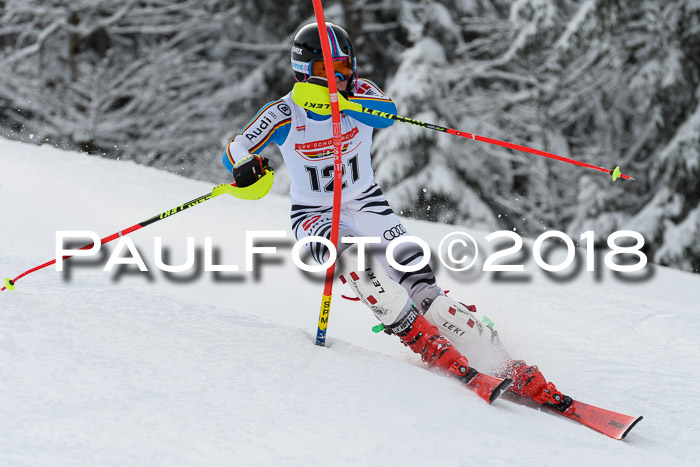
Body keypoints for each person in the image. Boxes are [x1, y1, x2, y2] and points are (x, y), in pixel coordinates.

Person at [222, 22, 566, 408]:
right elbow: (235, 149)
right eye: (328, 70)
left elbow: (386, 113)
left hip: (367, 202)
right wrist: (245, 166)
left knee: (423, 287)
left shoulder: (361, 93)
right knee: (353, 259)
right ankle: (422, 341)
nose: (341, 76)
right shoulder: (285, 113)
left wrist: (343, 104)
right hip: (315, 215)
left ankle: (502, 362)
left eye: (345, 66)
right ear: (305, 70)